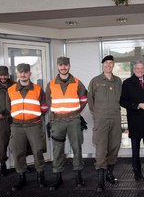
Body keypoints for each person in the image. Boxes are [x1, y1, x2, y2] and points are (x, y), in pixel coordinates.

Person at [46, 57, 87, 190]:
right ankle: (58, 177)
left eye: (65, 65)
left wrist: (76, 112)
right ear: (58, 66)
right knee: (57, 150)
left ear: (69, 66)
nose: (63, 67)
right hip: (57, 121)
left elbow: (84, 99)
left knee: (77, 148)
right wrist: (52, 118)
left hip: (73, 121)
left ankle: (78, 176)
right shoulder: (51, 84)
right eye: (61, 65)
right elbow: (48, 103)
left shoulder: (77, 82)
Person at [7, 63, 48, 191]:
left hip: (34, 125)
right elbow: (9, 108)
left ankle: (40, 176)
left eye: (26, 72)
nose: (23, 74)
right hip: (17, 126)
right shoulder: (11, 90)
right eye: (21, 72)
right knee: (18, 152)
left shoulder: (38, 89)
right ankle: (21, 178)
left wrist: (34, 117)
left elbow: (44, 107)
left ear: (30, 74)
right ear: (17, 74)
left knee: (38, 151)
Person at [120, 60, 144, 181]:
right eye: (138, 68)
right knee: (135, 147)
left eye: (142, 68)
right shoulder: (127, 83)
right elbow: (122, 101)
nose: (140, 70)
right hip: (135, 119)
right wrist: (137, 105)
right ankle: (137, 170)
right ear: (133, 69)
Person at [88, 55, 122, 192]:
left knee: (114, 146)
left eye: (110, 63)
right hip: (101, 119)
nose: (108, 65)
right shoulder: (95, 81)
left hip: (115, 118)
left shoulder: (118, 81)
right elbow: (90, 101)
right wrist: (98, 114)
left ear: (113, 65)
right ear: (103, 65)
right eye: (106, 63)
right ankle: (100, 181)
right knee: (101, 149)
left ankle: (109, 174)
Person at [0, 66, 14, 176]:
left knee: (20, 142)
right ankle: (2, 165)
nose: (3, 77)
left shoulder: (15, 86)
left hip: (15, 118)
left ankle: (22, 164)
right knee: (1, 143)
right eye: (1, 75)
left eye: (5, 75)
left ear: (8, 74)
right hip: (2, 119)